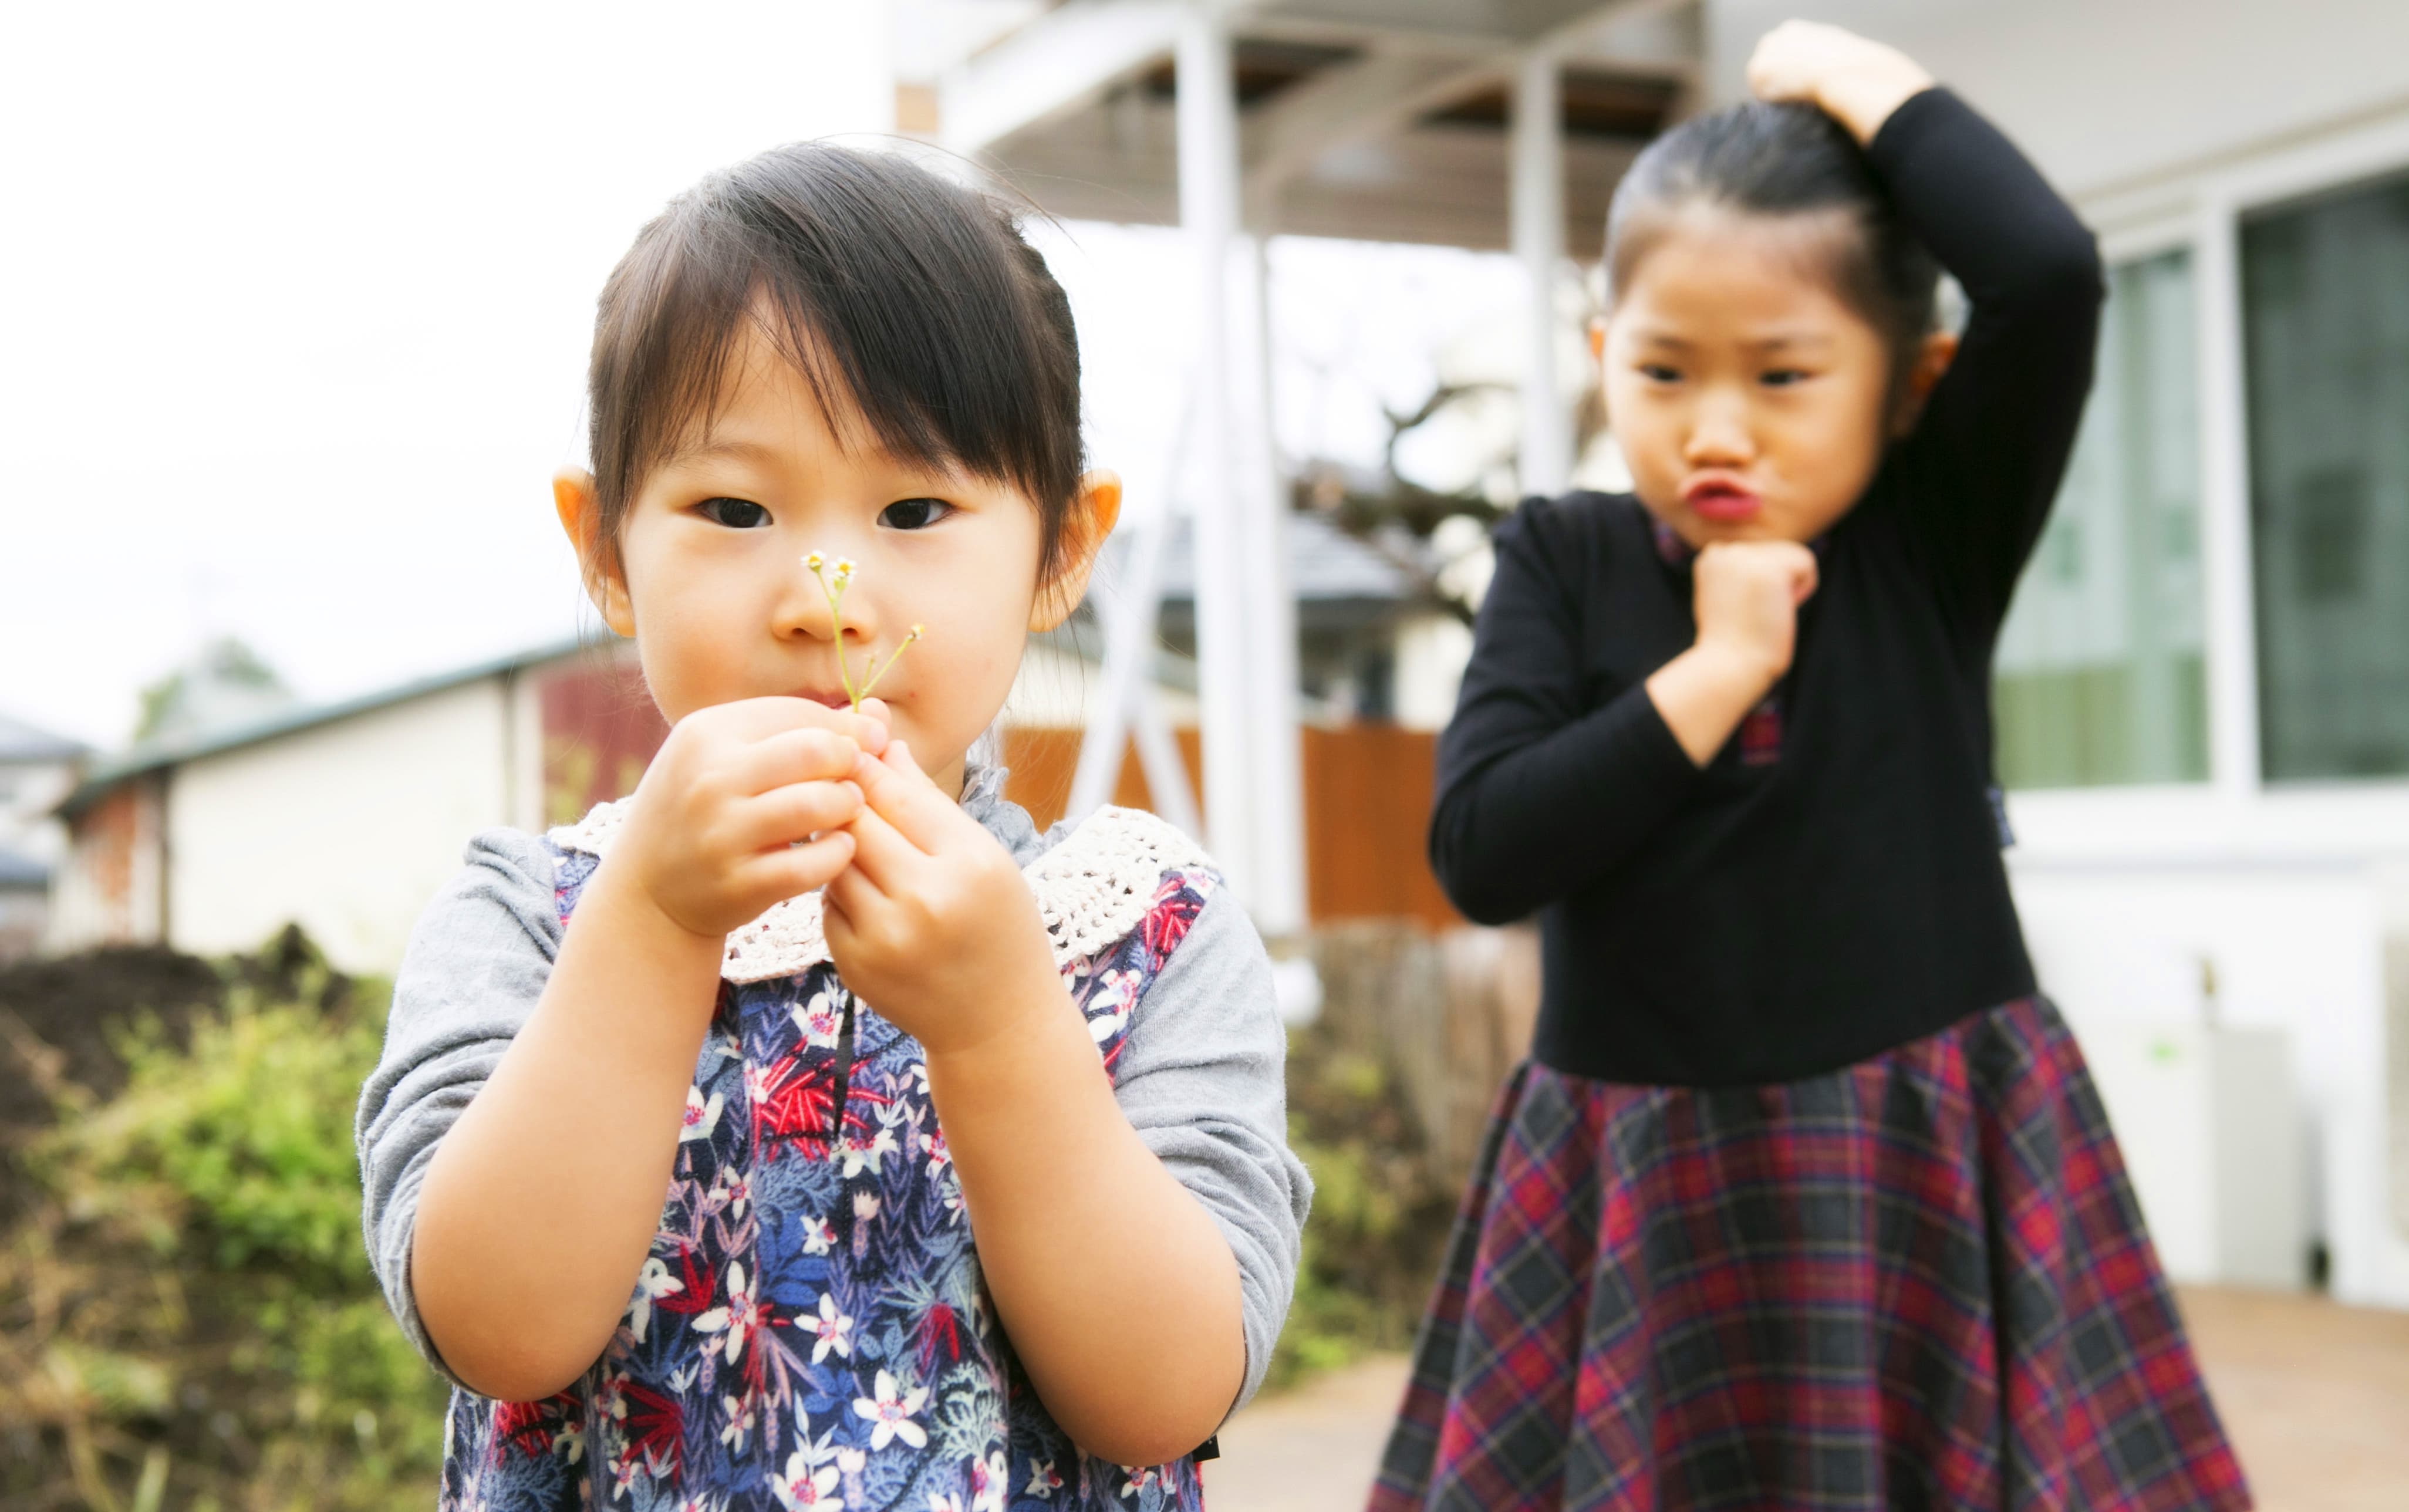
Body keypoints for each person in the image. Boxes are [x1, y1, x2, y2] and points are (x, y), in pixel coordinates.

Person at [1371, 22, 2248, 1512]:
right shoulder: (1565, 559)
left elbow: (2048, 273)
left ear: (1911, 385)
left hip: (1915, 1149)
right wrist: (1719, 671)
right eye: (1664, 370)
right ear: (1602, 355)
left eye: (1784, 375)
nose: (1718, 429)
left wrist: (1849, 78)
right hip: (1637, 1178)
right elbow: (1485, 852)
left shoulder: (1932, 536)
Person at [355, 142, 1309, 1512]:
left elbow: (1164, 1394)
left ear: (1061, 549)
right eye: (734, 509)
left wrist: (999, 1023)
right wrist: (653, 922)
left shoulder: (1144, 930)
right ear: (606, 549)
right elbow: (496, 1328)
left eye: (916, 508)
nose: (828, 600)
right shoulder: (531, 918)